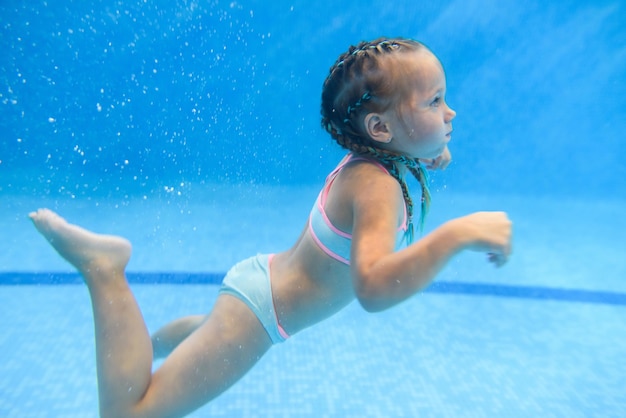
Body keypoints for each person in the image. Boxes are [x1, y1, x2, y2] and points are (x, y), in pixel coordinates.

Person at [30, 37, 512, 418]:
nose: (450, 113)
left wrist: (432, 149)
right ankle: (105, 270)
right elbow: (373, 288)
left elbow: (416, 147)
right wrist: (458, 234)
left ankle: (149, 347)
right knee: (129, 414)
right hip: (257, 319)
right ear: (380, 130)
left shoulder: (379, 160)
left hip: (257, 285)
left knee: (206, 334)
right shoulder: (376, 189)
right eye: (434, 102)